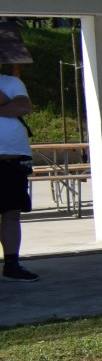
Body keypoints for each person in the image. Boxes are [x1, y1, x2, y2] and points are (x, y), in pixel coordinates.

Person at [0, 73, 38, 281]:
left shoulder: (11, 82)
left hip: (13, 159)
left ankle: (12, 263)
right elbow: (13, 106)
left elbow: (23, 107)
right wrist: (7, 105)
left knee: (12, 213)